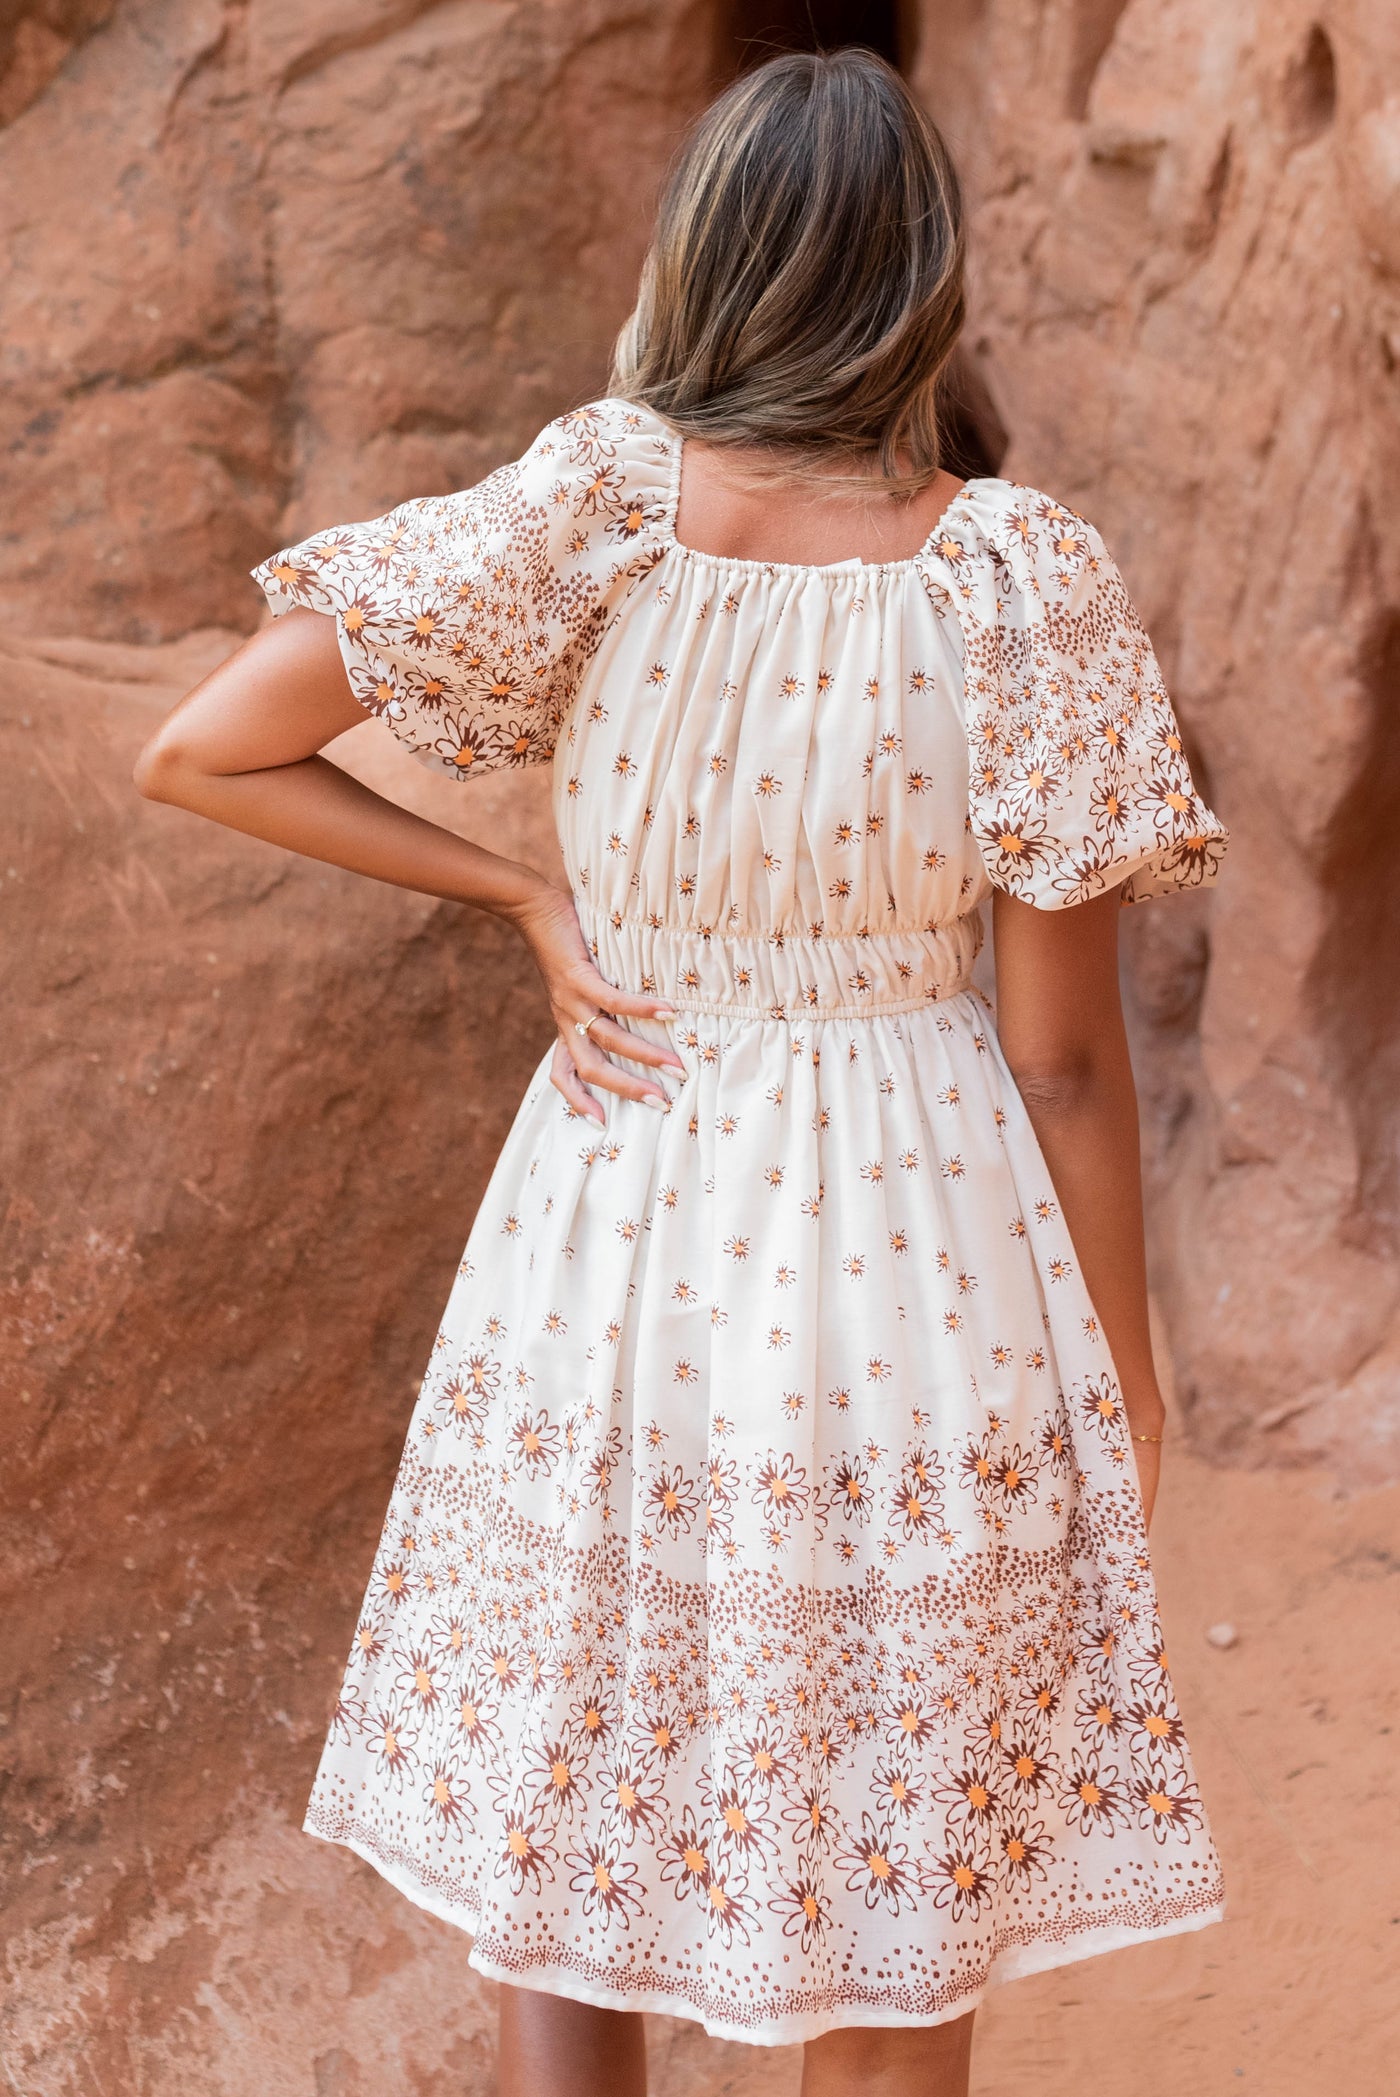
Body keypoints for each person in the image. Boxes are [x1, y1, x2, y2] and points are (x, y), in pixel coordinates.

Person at [135, 45, 1228, 2097]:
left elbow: (205, 742)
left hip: (619, 1226)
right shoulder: (1016, 580)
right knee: (893, 1878)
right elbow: (1067, 1062)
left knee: (574, 1808)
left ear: (701, 257)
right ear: (925, 282)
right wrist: (1128, 1374)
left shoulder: (595, 506)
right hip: (921, 1264)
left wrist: (523, 898)